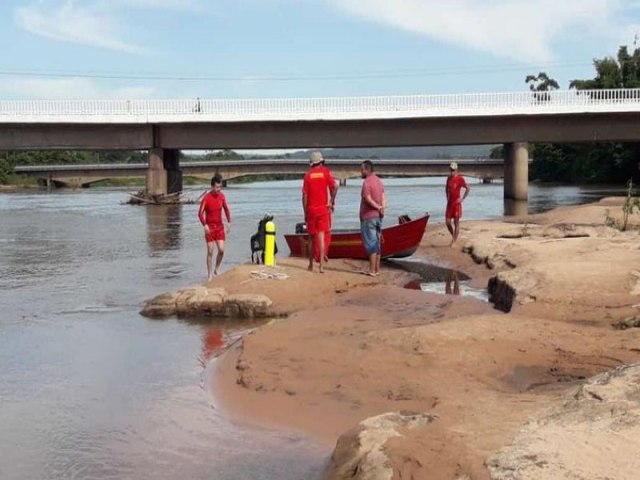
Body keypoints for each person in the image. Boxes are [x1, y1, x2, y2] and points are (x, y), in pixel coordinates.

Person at [302, 151, 338, 273]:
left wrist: (305, 212)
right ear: (321, 162)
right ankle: (322, 266)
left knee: (311, 238)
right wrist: (331, 201)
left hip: (311, 210)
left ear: (311, 163)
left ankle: (311, 265)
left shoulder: (307, 176)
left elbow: (305, 196)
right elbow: (335, 186)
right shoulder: (325, 172)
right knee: (322, 237)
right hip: (323, 209)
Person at [198, 174, 231, 280]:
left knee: (221, 250)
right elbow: (200, 213)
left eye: (220, 187)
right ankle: (209, 275)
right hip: (210, 228)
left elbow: (226, 209)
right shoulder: (206, 198)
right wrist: (205, 225)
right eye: (217, 187)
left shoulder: (222, 196)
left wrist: (229, 222)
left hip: (219, 227)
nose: (218, 189)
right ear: (212, 187)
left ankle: (217, 269)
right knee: (210, 251)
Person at [359, 160, 385, 276]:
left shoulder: (367, 182)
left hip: (369, 216)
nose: (361, 171)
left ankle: (372, 270)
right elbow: (384, 196)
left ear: (367, 170)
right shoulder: (379, 181)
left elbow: (368, 198)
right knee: (377, 242)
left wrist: (378, 207)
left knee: (371, 243)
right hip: (378, 217)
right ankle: (377, 269)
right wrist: (382, 207)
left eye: (362, 169)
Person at [445, 162, 470, 246]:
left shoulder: (460, 179)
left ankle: (454, 241)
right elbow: (446, 189)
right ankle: (453, 236)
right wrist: (447, 198)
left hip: (456, 204)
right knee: (447, 222)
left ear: (456, 170)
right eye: (451, 170)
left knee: (456, 223)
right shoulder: (448, 179)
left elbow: (468, 188)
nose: (452, 172)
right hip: (450, 203)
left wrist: (462, 199)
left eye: (453, 170)